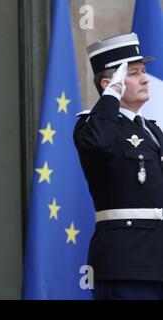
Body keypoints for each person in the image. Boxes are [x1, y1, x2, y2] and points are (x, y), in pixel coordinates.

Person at [74, 32, 163, 299]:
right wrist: (110, 97)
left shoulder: (151, 130)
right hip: (126, 261)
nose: (146, 78)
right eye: (134, 73)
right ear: (109, 82)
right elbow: (98, 145)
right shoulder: (91, 125)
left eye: (143, 71)